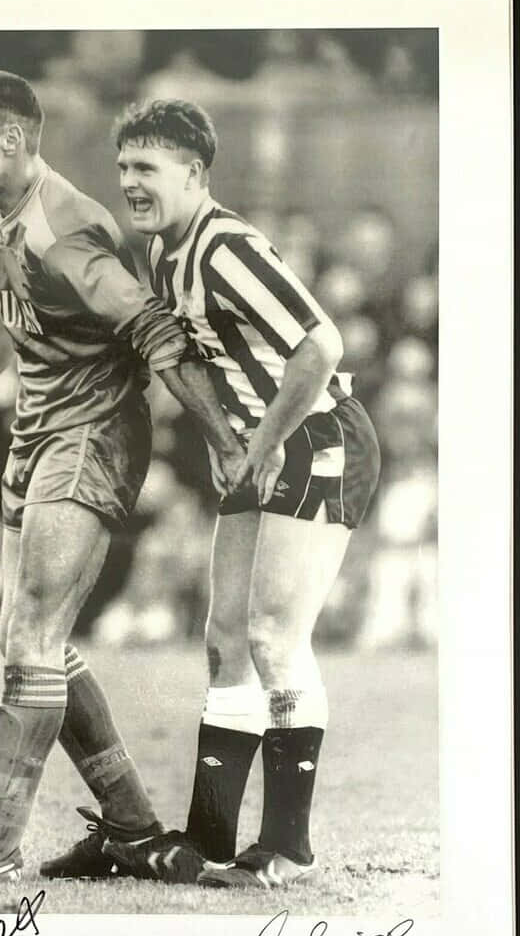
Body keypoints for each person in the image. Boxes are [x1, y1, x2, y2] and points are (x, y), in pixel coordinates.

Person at [0, 72, 243, 885]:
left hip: (92, 436)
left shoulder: (65, 229)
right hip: (37, 432)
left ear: (11, 140)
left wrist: (223, 442)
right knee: (25, 637)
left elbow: (152, 325)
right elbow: (12, 309)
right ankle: (129, 825)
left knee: (32, 639)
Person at [104, 99, 381, 889]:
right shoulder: (165, 252)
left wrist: (256, 444)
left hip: (317, 436)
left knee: (272, 635)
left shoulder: (227, 248)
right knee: (224, 635)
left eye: (146, 168)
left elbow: (320, 345)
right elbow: (184, 359)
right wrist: (227, 443)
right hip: (260, 447)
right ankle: (209, 838)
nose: (129, 182)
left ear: (193, 173)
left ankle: (288, 845)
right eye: (123, 167)